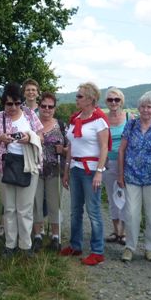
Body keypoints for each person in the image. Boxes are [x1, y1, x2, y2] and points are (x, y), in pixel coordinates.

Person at [0, 82, 43, 257]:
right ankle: (10, 245)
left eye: (17, 103)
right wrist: (0, 139)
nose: (13, 107)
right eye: (9, 104)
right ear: (3, 103)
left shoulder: (30, 115)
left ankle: (25, 246)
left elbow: (41, 137)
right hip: (5, 166)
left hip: (29, 165)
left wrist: (29, 138)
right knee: (9, 208)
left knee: (25, 208)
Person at [117, 91, 151, 263]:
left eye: (149, 107)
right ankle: (129, 247)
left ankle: (150, 248)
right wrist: (120, 174)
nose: (146, 110)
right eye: (143, 106)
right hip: (131, 176)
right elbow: (122, 150)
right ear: (138, 108)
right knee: (131, 214)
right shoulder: (131, 125)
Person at [61, 82, 110, 266]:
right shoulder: (75, 119)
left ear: (90, 99)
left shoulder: (99, 120)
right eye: (77, 95)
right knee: (75, 210)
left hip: (91, 171)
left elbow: (104, 147)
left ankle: (98, 251)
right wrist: (66, 171)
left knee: (93, 211)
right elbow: (71, 146)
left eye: (80, 96)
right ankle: (76, 245)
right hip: (75, 168)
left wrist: (99, 172)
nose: (77, 99)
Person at [32, 92, 68, 252]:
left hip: (54, 170)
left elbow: (69, 149)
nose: (47, 109)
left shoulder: (61, 125)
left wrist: (63, 150)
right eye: (44, 106)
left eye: (50, 106)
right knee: (36, 203)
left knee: (54, 203)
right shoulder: (32, 125)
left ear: (54, 108)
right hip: (35, 169)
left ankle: (55, 236)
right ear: (39, 107)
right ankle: (38, 235)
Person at [102, 87, 132, 245]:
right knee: (111, 198)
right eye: (110, 99)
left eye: (116, 99)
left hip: (125, 164)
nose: (113, 102)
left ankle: (124, 232)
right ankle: (116, 230)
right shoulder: (102, 119)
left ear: (121, 101)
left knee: (125, 198)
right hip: (107, 163)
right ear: (106, 102)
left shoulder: (129, 117)